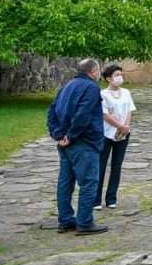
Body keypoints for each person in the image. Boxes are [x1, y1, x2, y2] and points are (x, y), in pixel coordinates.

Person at [46, 59, 108, 235]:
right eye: (98, 71)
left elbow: (52, 111)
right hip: (83, 142)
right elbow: (83, 114)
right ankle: (85, 222)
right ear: (93, 71)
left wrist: (58, 135)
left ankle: (65, 219)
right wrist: (70, 136)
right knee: (89, 182)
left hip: (66, 142)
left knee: (65, 182)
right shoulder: (91, 88)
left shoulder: (67, 86)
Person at [94, 64, 136, 210]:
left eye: (121, 74)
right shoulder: (103, 94)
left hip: (123, 134)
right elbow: (104, 114)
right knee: (101, 165)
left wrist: (125, 126)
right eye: (117, 75)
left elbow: (130, 110)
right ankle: (96, 199)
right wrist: (119, 125)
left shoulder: (126, 92)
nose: (120, 77)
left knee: (116, 166)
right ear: (108, 78)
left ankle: (111, 197)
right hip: (106, 133)